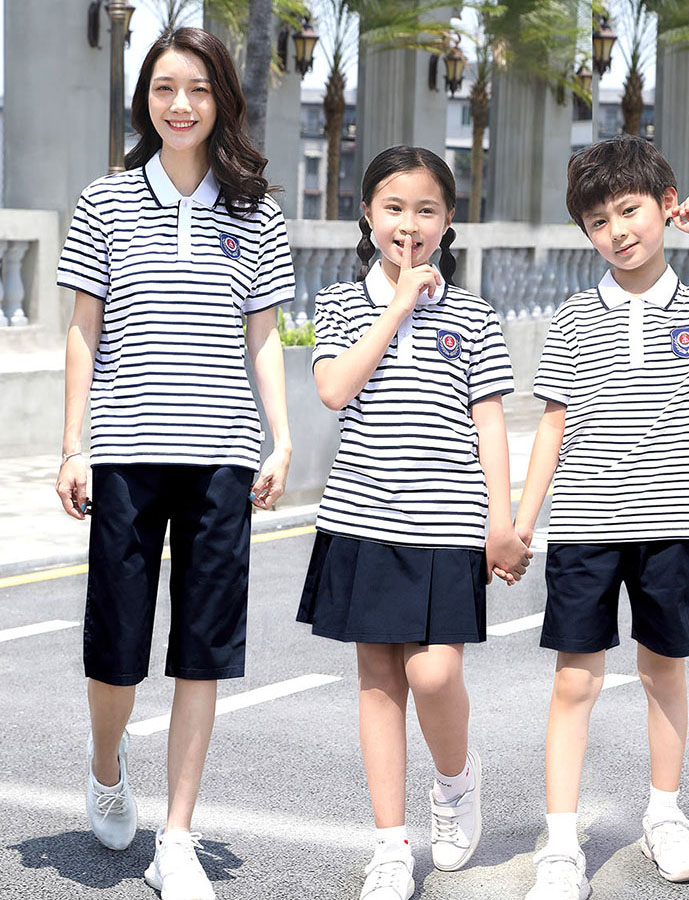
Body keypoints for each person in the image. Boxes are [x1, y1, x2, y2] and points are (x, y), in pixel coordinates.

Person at [515, 134, 689, 900]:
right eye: (598, 221)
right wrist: (520, 521)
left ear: (666, 206)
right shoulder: (573, 318)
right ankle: (562, 844)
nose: (617, 231)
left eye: (630, 210)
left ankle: (665, 815)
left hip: (673, 525)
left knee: (661, 671)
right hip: (585, 528)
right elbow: (553, 427)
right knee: (574, 683)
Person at [55, 27, 294, 900]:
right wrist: (73, 445)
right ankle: (106, 764)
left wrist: (281, 438)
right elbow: (83, 333)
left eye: (197, 88)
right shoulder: (106, 201)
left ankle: (178, 837)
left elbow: (263, 336)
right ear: (144, 100)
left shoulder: (257, 214)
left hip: (222, 456)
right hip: (124, 454)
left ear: (222, 99)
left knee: (203, 651)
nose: (180, 104)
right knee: (116, 647)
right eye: (163, 88)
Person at [296, 145, 532, 899]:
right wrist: (396, 304)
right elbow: (334, 388)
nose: (410, 223)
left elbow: (490, 425)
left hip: (447, 524)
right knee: (377, 681)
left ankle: (456, 781)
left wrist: (503, 520)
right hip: (362, 518)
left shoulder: (473, 314)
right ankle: (391, 846)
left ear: (448, 219)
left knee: (434, 672)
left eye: (426, 209)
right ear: (368, 214)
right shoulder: (340, 304)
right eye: (394, 207)